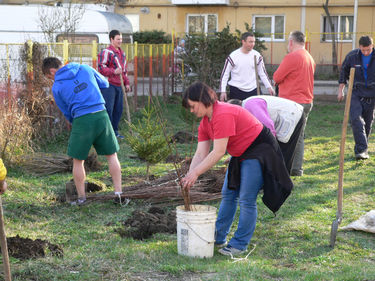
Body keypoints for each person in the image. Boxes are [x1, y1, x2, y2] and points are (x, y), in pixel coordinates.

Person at [181, 82, 293, 256]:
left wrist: (196, 173)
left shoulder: (222, 114)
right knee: (228, 194)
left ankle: (239, 244)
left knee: (246, 198)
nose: (191, 111)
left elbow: (217, 152)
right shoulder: (205, 123)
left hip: (259, 148)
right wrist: (189, 175)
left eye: (192, 106)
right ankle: (218, 237)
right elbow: (201, 153)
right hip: (240, 151)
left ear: (203, 100)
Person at [42, 57, 123, 206]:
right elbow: (105, 83)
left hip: (81, 119)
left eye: (49, 77)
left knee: (78, 161)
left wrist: (78, 123)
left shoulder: (57, 87)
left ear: (52, 71)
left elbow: (66, 112)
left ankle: (81, 199)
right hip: (101, 115)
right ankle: (118, 194)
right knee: (112, 155)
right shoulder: (84, 68)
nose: (51, 80)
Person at [273, 30, 316, 176]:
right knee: (299, 136)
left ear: (291, 42)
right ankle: (297, 168)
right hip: (306, 101)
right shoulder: (309, 57)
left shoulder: (292, 57)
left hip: (292, 103)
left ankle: (287, 167)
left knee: (286, 135)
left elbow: (277, 77)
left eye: (288, 42)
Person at [228, 96, 305, 174]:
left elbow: (268, 125)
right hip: (287, 116)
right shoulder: (246, 109)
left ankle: (282, 183)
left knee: (283, 154)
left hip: (291, 114)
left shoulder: (249, 105)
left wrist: (273, 145)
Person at [338, 36, 375, 160]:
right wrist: (341, 90)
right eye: (363, 50)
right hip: (355, 92)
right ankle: (362, 149)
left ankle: (360, 149)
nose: (365, 52)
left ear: (372, 46)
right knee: (356, 119)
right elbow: (343, 72)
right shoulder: (352, 56)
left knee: (368, 123)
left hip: (372, 93)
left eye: (368, 50)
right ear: (359, 47)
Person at [220, 32, 274, 101]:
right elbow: (225, 74)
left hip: (253, 90)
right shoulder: (233, 56)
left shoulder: (257, 56)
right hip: (236, 90)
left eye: (254, 42)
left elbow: (262, 73)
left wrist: (269, 87)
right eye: (250, 42)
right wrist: (223, 91)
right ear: (243, 42)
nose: (253, 44)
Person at [98, 29, 131, 139]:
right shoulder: (106, 52)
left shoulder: (122, 53)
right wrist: (113, 71)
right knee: (108, 109)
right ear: (111, 39)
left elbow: (124, 71)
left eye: (121, 39)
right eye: (118, 39)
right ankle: (106, 134)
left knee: (118, 109)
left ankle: (115, 132)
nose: (120, 41)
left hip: (119, 85)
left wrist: (127, 83)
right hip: (108, 85)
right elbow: (101, 67)